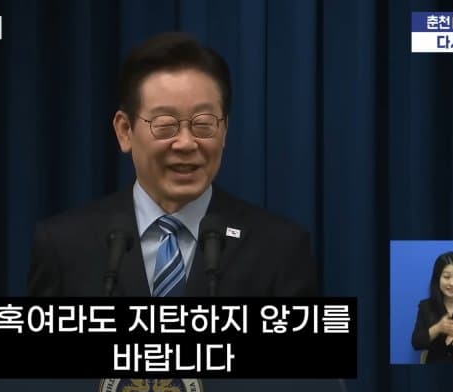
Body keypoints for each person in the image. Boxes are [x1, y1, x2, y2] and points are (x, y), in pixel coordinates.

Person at [27, 32, 317, 297]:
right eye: (165, 125)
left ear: (224, 130)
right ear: (125, 131)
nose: (186, 143)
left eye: (203, 124)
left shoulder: (279, 249)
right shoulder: (64, 246)